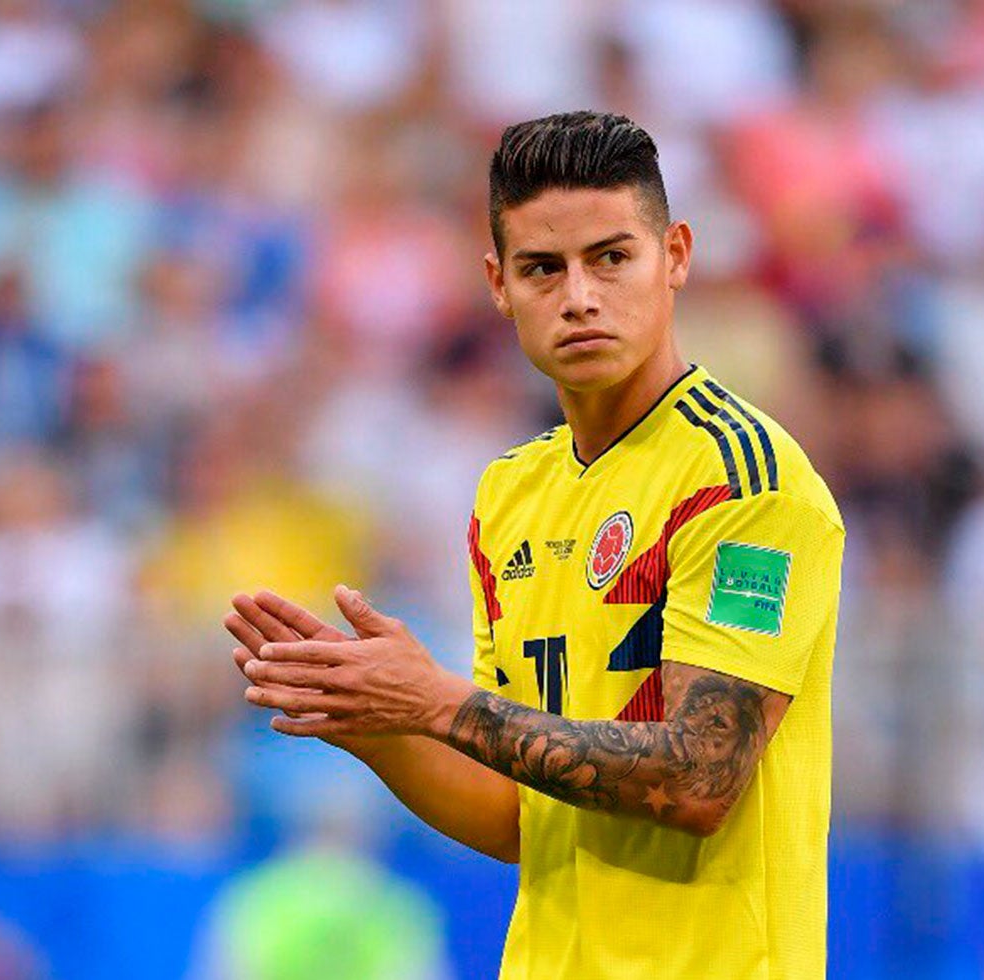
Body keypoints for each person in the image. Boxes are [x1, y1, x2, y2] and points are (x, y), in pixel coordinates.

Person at [224, 111, 846, 979]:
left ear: (675, 256)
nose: (580, 296)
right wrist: (376, 725)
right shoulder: (509, 495)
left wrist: (439, 704)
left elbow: (702, 779)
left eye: (612, 257)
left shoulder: (745, 478)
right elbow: (521, 816)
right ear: (498, 284)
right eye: (543, 268)